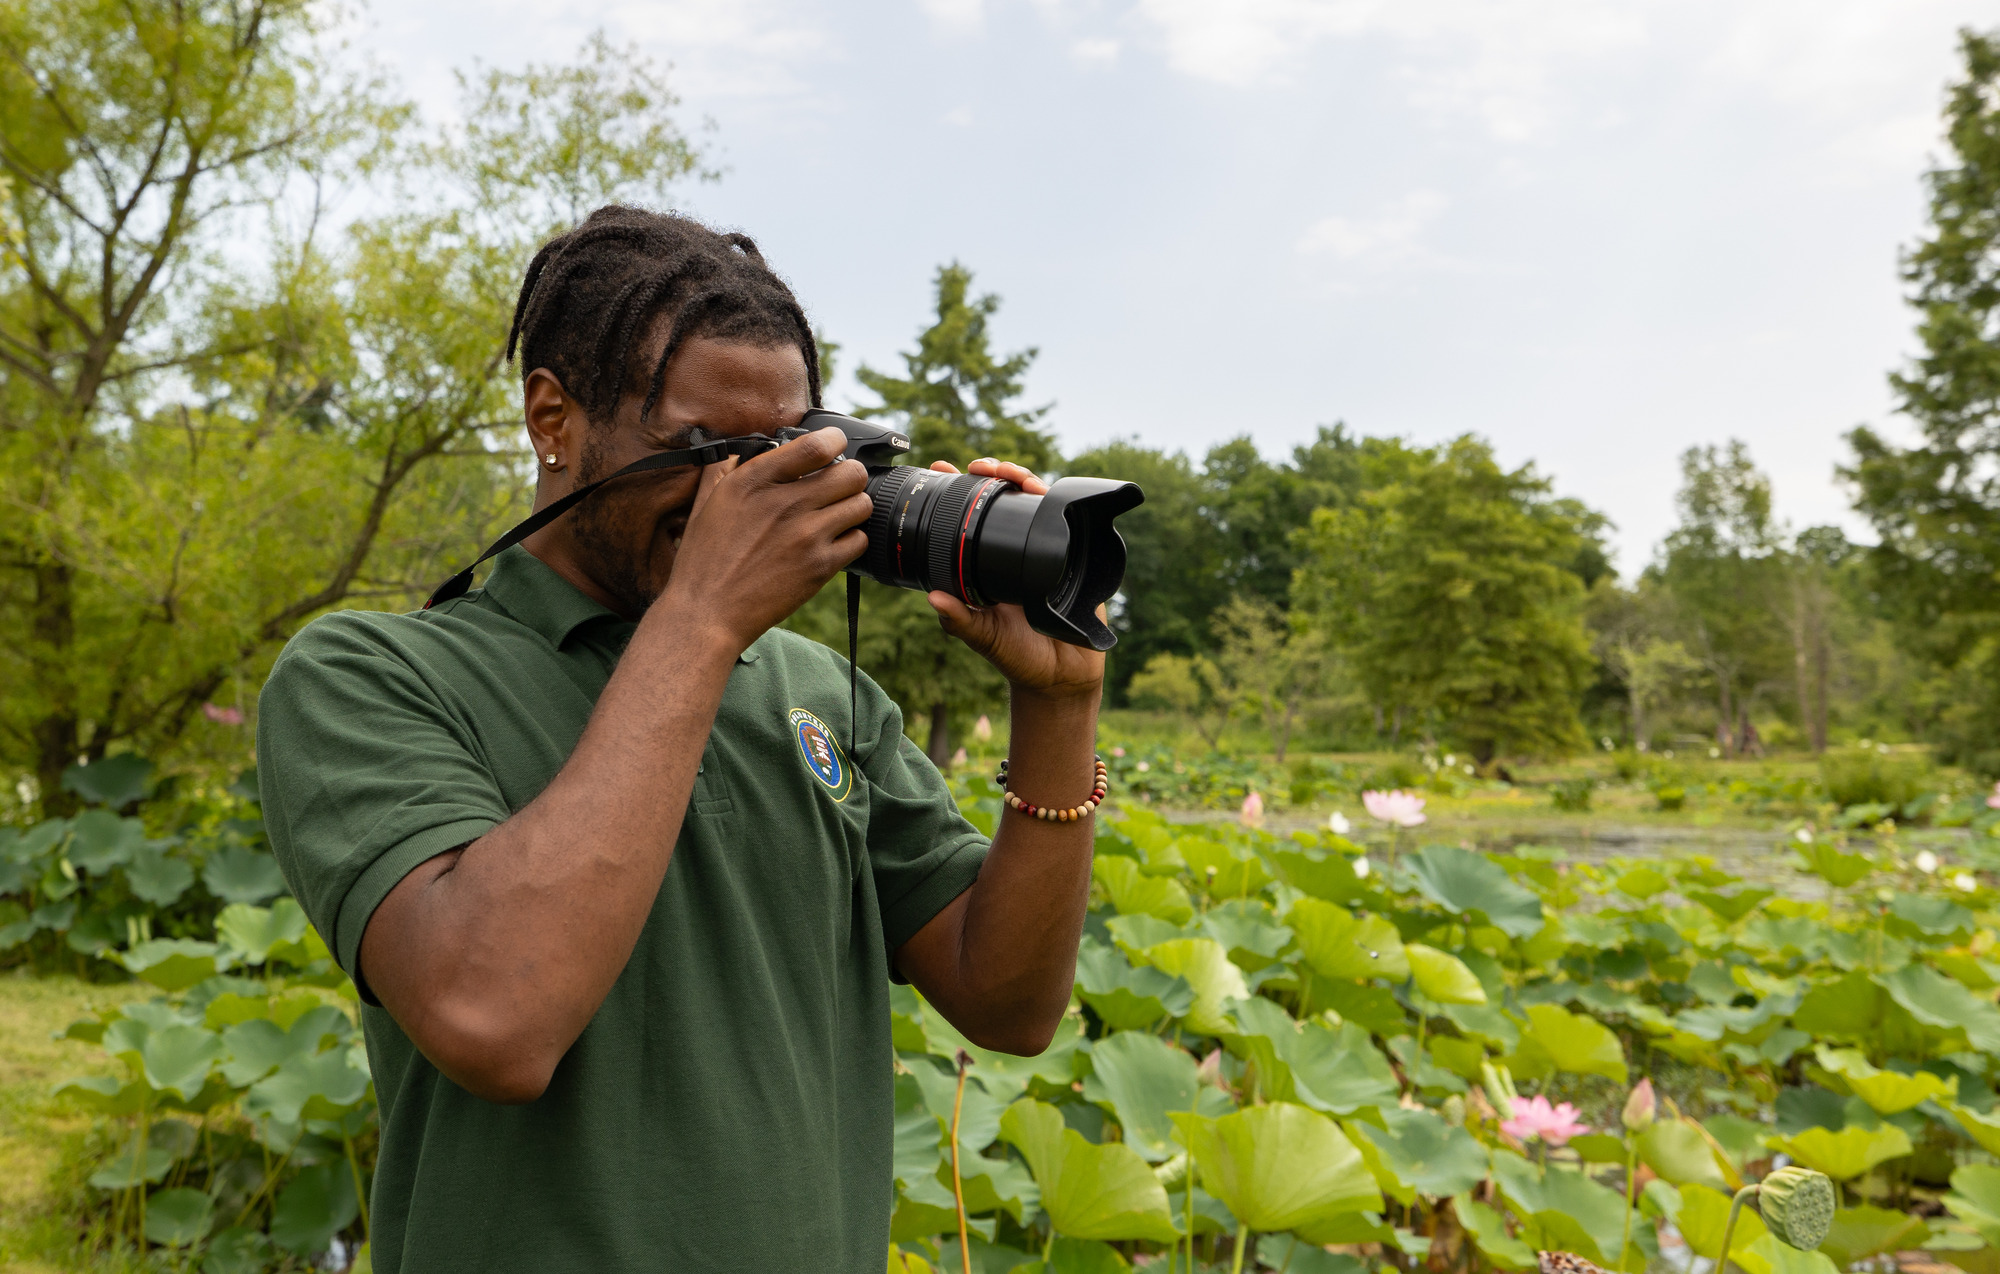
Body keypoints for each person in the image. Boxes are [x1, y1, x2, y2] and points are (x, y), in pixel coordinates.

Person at [255, 206, 1106, 1272]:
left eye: (781, 448)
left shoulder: (817, 691)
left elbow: (1009, 1000)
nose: (744, 492)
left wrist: (1057, 706)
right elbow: (491, 1017)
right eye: (705, 449)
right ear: (552, 417)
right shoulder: (371, 677)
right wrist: (700, 621)